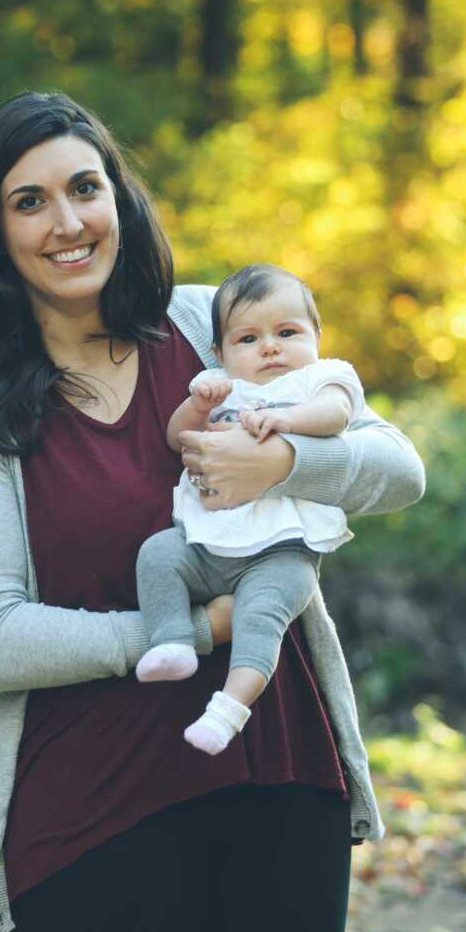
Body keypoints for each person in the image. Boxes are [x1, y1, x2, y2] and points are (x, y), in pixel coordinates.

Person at [0, 90, 426, 932]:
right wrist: (191, 629)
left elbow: (397, 469)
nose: (68, 223)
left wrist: (288, 458)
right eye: (29, 202)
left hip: (276, 773)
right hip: (90, 810)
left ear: (120, 200)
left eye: (85, 188)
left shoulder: (208, 326)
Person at [135, 261, 371, 757]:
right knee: (158, 554)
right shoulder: (224, 387)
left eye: (287, 332)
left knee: (259, 618)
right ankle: (172, 640)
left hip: (281, 553)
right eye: (248, 339)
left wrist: (284, 419)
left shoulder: (321, 379)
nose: (269, 347)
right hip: (207, 543)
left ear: (316, 336)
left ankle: (228, 710)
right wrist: (199, 405)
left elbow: (336, 416)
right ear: (220, 353)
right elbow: (176, 437)